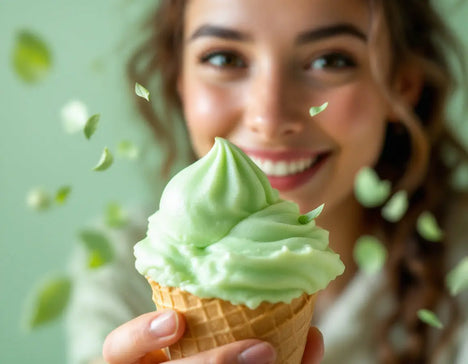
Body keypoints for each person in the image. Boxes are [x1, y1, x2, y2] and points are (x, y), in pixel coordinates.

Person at [66, 0, 468, 363]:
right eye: (224, 58)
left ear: (401, 87)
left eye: (330, 60)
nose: (270, 120)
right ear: (181, 83)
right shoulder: (120, 264)